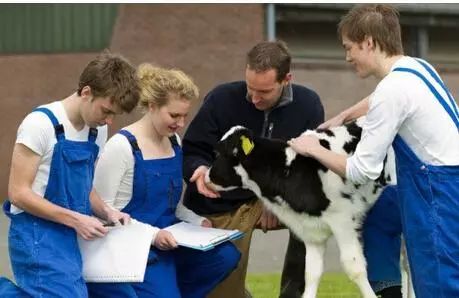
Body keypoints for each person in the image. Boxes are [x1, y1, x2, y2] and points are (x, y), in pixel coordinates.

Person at [288, 4, 459, 298]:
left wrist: (314, 148)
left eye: (349, 47)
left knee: (439, 285)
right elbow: (382, 97)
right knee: (378, 214)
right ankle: (387, 292)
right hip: (436, 184)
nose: (347, 57)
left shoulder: (393, 90)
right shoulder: (416, 67)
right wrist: (344, 116)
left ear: (368, 42)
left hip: (438, 193)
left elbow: (362, 171)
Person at [182, 40, 324, 298]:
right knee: (221, 283)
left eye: (265, 92)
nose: (255, 99)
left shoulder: (308, 105)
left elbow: (310, 167)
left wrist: (274, 198)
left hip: (279, 196)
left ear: (286, 79)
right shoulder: (221, 99)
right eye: (250, 89)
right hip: (224, 201)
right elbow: (193, 149)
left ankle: (293, 294)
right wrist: (200, 169)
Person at [86, 63, 240, 298]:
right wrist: (152, 236)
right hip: (135, 246)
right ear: (151, 106)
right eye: (174, 115)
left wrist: (197, 221)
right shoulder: (122, 146)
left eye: (185, 116)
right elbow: (103, 212)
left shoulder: (174, 141)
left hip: (171, 238)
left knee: (225, 256)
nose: (180, 123)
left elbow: (172, 204)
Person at [0, 51, 141, 297]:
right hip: (37, 232)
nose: (109, 121)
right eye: (106, 110)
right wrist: (76, 219)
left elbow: (83, 188)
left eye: (114, 115)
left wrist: (107, 211)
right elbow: (18, 193)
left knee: (124, 294)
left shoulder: (97, 131)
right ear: (86, 92)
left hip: (78, 230)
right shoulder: (39, 125)